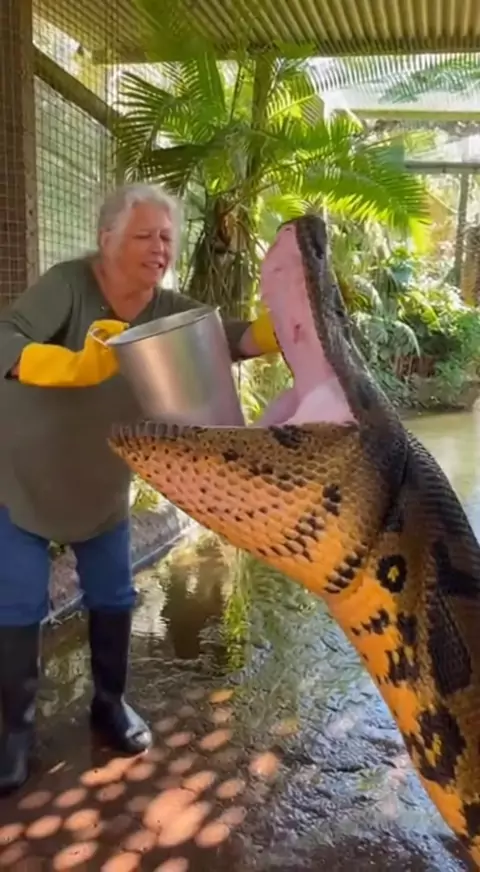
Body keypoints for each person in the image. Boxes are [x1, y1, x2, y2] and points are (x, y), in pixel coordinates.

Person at [0, 182, 279, 795]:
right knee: (16, 605)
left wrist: (276, 331)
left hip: (100, 481)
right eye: (144, 235)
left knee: (114, 596)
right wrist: (65, 364)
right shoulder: (68, 286)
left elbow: (219, 339)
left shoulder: (165, 311)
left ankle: (110, 704)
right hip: (21, 476)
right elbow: (7, 338)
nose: (160, 248)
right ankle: (14, 734)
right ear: (107, 240)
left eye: (167, 237)